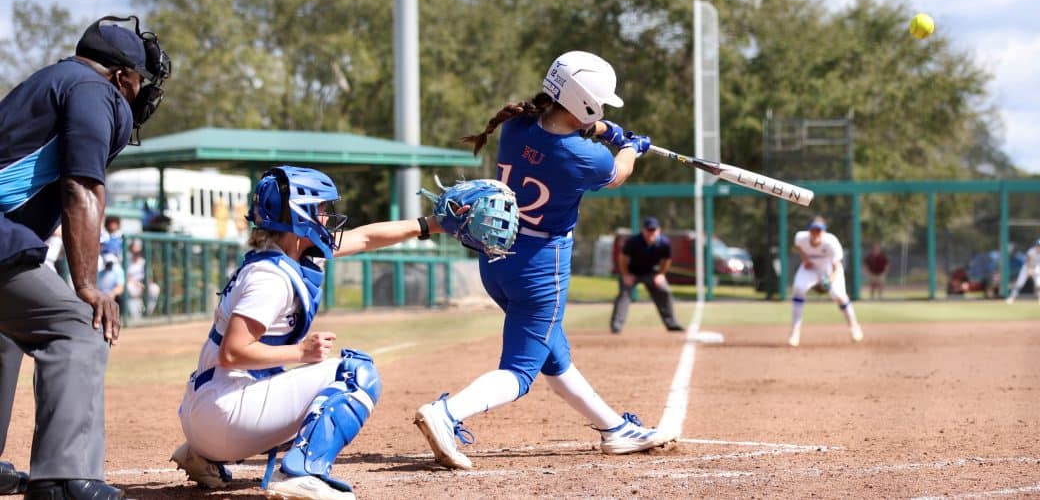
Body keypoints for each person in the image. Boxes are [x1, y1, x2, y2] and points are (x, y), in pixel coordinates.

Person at [411, 50, 672, 472]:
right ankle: (447, 413)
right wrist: (628, 146)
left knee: (552, 352)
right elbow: (617, 171)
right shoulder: (588, 158)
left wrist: (603, 127)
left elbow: (563, 129)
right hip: (540, 267)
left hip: (497, 258)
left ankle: (614, 429)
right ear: (584, 101)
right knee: (519, 372)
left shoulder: (515, 127)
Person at [170, 165, 456, 500]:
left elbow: (365, 237)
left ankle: (205, 457)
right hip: (223, 413)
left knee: (316, 406)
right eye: (320, 209)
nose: (327, 216)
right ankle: (300, 472)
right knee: (355, 374)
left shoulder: (287, 257)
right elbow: (232, 353)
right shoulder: (270, 278)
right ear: (298, 216)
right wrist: (301, 353)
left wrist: (432, 225)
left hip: (211, 411)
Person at [0, 15, 170, 499]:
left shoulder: (46, 82)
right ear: (120, 76)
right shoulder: (96, 91)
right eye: (137, 83)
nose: (138, 95)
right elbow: (83, 186)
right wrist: (88, 286)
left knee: (7, 330)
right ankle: (63, 479)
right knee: (78, 326)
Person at [787, 216, 863, 347]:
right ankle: (795, 332)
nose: (816, 233)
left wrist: (829, 281)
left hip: (829, 269)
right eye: (813, 230)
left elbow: (836, 266)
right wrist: (805, 259)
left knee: (838, 295)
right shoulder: (801, 237)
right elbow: (798, 246)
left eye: (819, 230)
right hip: (810, 268)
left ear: (824, 231)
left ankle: (854, 326)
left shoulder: (831, 242)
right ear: (809, 231)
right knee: (799, 288)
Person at [610, 217, 684, 333]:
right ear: (643, 231)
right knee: (624, 294)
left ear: (658, 230)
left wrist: (661, 274)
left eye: (653, 230)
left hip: (651, 273)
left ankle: (671, 323)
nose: (651, 233)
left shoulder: (664, 243)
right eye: (649, 230)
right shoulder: (633, 242)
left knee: (664, 290)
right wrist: (625, 275)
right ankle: (616, 325)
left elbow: (666, 260)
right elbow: (622, 259)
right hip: (632, 273)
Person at [1006, 237, 1040, 306]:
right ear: (1036, 245)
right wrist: (1029, 270)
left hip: (1037, 267)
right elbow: (1028, 261)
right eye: (1039, 245)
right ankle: (1011, 298)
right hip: (1026, 267)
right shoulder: (1031, 251)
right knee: (1020, 283)